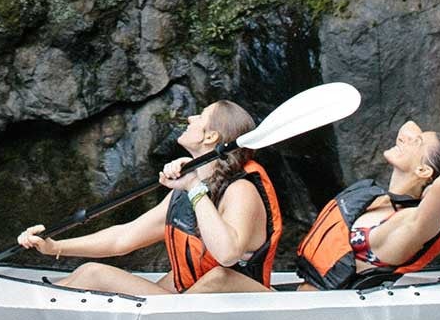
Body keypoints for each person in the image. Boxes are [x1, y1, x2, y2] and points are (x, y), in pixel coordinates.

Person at [15, 99, 282, 296]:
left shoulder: (241, 190)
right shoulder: (187, 190)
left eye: (200, 116)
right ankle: (32, 300)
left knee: (94, 273)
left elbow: (226, 255)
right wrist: (55, 247)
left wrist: (193, 187)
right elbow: (123, 238)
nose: (190, 118)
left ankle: (34, 303)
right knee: (86, 273)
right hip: (193, 302)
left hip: (239, 302)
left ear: (211, 136)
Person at [293, 119, 440, 290]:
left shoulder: (410, 222)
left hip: (326, 313)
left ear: (423, 170)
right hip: (304, 303)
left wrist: (430, 191)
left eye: (416, 142)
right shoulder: (379, 201)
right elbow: (409, 125)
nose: (403, 139)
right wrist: (417, 144)